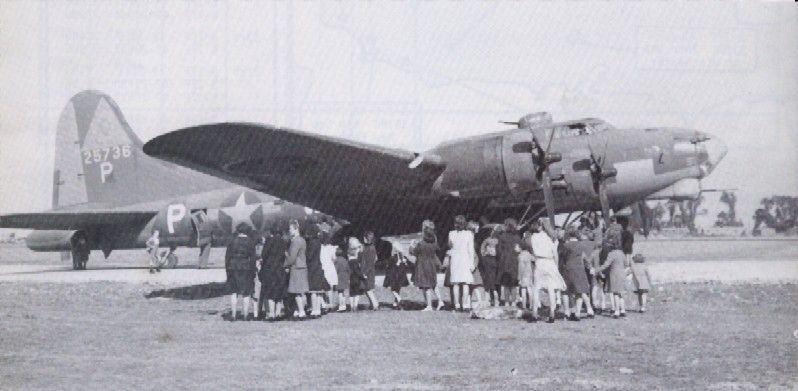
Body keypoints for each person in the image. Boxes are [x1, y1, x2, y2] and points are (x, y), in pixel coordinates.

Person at [529, 219, 567, 323]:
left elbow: (533, 250)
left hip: (539, 261)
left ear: (540, 226)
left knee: (536, 288)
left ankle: (534, 314)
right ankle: (552, 314)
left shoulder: (534, 237)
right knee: (551, 289)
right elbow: (555, 254)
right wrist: (556, 266)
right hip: (550, 262)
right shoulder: (552, 239)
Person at [559, 228, 596, 321]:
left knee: (565, 291)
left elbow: (561, 259)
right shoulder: (581, 245)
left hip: (567, 269)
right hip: (579, 269)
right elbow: (585, 258)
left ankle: (567, 313)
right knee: (579, 291)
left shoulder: (565, 246)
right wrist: (590, 267)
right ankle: (577, 313)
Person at [225, 224, 258, 321]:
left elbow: (227, 257)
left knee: (234, 292)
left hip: (233, 267)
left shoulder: (232, 241)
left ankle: (234, 315)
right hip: (246, 267)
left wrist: (227, 269)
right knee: (246, 293)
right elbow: (253, 258)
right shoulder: (250, 242)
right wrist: (253, 270)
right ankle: (245, 315)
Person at [411, 220, 444, 311]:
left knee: (426, 285)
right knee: (433, 284)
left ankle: (429, 305)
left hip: (422, 265)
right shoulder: (434, 240)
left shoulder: (421, 243)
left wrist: (412, 245)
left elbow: (414, 252)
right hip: (431, 263)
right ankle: (440, 300)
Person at [594, 233, 628, 319]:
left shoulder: (611, 254)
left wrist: (597, 270)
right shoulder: (622, 253)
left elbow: (606, 265)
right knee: (621, 293)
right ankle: (623, 310)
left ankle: (616, 311)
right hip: (622, 274)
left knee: (615, 294)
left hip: (614, 275)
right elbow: (626, 263)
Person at [259, 226, 289, 320]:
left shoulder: (269, 241)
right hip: (280, 269)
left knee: (270, 292)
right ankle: (278, 313)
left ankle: (271, 314)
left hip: (270, 269)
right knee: (279, 291)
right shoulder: (283, 241)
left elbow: (263, 254)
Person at [447, 215, 475, 312]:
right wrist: (472, 263)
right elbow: (471, 250)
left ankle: (457, 304)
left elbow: (450, 247)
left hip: (455, 259)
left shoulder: (451, 234)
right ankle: (465, 304)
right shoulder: (469, 234)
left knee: (456, 283)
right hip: (465, 259)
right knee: (466, 283)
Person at [284, 220, 309, 319]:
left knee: (296, 292)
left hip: (296, 267)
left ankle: (301, 312)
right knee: (301, 292)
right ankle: (300, 310)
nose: (289, 231)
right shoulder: (302, 240)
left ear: (295, 228)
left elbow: (292, 257)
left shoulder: (295, 241)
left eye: (290, 229)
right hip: (303, 266)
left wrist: (285, 255)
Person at [305, 222, 329, 318]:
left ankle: (314, 310)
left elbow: (309, 256)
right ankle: (318, 309)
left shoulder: (311, 243)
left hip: (312, 267)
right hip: (318, 266)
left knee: (313, 291)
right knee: (318, 290)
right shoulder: (318, 242)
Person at [496, 218, 522, 307]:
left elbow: (498, 250)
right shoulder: (517, 237)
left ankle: (507, 302)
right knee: (514, 284)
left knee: (506, 284)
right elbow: (519, 249)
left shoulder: (502, 236)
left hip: (504, 262)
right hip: (514, 262)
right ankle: (514, 302)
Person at [318, 224, 339, 312]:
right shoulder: (331, 248)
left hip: (322, 268)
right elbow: (334, 259)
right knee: (330, 287)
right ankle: (330, 303)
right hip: (330, 268)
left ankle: (323, 303)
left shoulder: (319, 248)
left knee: (322, 287)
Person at [383, 245, 410, 309]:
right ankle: (395, 303)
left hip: (394, 276)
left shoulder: (392, 258)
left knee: (392, 288)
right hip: (401, 276)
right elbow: (407, 265)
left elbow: (389, 267)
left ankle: (399, 299)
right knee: (397, 289)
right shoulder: (403, 257)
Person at [358, 232, 380, 310]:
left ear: (367, 239)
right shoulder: (366, 247)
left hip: (368, 272)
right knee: (366, 288)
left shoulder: (371, 248)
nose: (363, 239)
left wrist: (365, 273)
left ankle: (375, 304)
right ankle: (372, 304)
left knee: (368, 289)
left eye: (364, 238)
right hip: (365, 270)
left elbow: (371, 263)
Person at [479, 225, 501, 306]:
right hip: (494, 260)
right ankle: (494, 298)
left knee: (488, 278)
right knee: (492, 278)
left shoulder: (488, 240)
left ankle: (489, 298)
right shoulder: (499, 241)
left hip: (489, 260)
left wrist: (484, 255)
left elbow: (481, 249)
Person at [467, 221, 486, 308]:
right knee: (474, 285)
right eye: (477, 228)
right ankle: (476, 301)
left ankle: (475, 302)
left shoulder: (472, 238)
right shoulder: (471, 238)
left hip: (472, 263)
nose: (478, 229)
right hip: (473, 263)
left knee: (473, 285)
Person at [347, 237, 367, 311]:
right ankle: (355, 306)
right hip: (356, 279)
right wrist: (363, 276)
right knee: (357, 293)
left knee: (351, 293)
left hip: (350, 279)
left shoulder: (348, 262)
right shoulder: (355, 262)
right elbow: (357, 271)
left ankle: (351, 306)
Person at [517, 234, 534, 310]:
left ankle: (524, 305)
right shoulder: (529, 254)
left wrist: (519, 278)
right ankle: (531, 305)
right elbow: (534, 259)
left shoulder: (520, 256)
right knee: (530, 290)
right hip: (530, 274)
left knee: (523, 290)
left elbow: (521, 268)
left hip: (523, 275)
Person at [333, 246, 350, 312]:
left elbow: (335, 270)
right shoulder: (345, 260)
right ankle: (344, 305)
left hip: (339, 278)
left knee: (340, 293)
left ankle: (341, 306)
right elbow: (348, 269)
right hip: (345, 277)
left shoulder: (336, 260)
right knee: (343, 293)